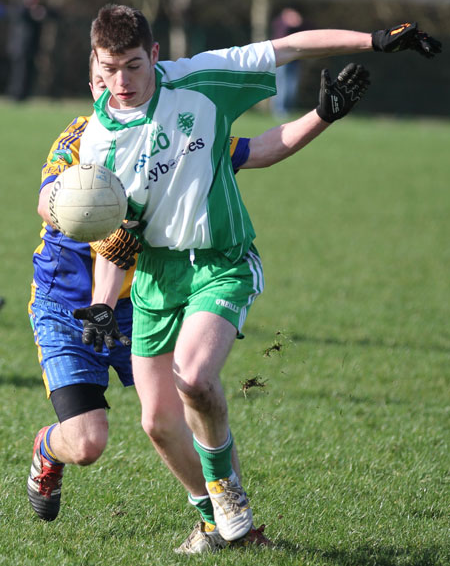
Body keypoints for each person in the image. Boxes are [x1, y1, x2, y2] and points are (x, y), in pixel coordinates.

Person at [68, 6, 440, 553]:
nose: (122, 81)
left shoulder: (200, 78)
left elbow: (286, 48)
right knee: (158, 423)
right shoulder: (98, 141)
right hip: (156, 276)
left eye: (133, 65)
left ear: (154, 56)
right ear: (95, 64)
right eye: (110, 68)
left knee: (193, 377)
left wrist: (374, 40)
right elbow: (121, 238)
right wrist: (103, 302)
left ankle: (229, 495)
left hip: (221, 261)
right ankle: (217, 523)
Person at [26, 52, 367, 539]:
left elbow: (257, 148)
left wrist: (322, 116)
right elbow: (46, 197)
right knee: (86, 444)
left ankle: (225, 522)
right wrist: (80, 208)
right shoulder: (80, 141)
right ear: (91, 84)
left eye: (123, 79)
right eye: (102, 83)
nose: (114, 93)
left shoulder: (168, 135)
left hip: (141, 299)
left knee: (178, 411)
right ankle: (46, 449)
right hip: (69, 305)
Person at [7, 0, 49, 101]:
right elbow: (19, 14)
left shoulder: (39, 9)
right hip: (19, 48)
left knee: (28, 72)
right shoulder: (20, 8)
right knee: (19, 73)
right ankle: (16, 95)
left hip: (32, 48)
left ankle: (25, 95)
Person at [271, 7, 311, 117]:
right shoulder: (280, 23)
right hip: (281, 59)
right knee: (281, 85)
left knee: (292, 86)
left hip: (295, 60)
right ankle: (279, 110)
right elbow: (283, 32)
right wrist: (290, 22)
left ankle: (288, 109)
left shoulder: (300, 26)